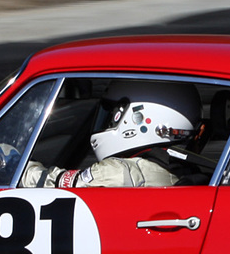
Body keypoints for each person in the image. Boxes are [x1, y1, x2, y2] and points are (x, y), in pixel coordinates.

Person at [19, 80, 209, 188]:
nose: (105, 121)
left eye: (111, 114)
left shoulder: (118, 173)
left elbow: (52, 182)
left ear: (137, 118)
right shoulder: (182, 170)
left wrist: (13, 164)